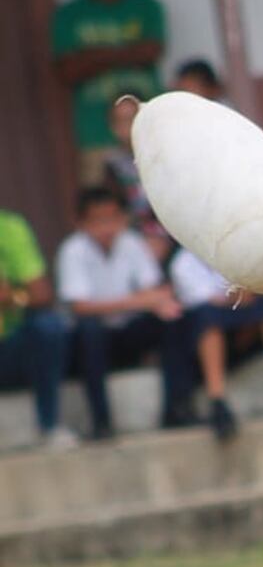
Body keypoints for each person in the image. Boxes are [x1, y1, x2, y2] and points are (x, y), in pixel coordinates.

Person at [56, 186, 195, 440]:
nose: (107, 228)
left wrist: (149, 302)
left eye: (112, 219)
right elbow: (80, 306)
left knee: (173, 318)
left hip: (127, 333)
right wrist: (136, 301)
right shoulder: (72, 251)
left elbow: (155, 292)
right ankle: (101, 421)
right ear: (81, 223)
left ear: (122, 218)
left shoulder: (131, 243)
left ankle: (177, 407)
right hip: (91, 343)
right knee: (90, 330)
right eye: (98, 221)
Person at [51, 0, 165, 186]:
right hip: (95, 135)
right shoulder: (68, 14)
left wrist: (94, 56)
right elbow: (67, 71)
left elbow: (151, 51)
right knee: (104, 210)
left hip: (149, 130)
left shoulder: (146, 5)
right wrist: (126, 50)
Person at [169, 246, 263, 441]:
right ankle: (217, 401)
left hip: (242, 332)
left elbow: (250, 291)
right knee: (209, 321)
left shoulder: (232, 251)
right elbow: (204, 301)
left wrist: (243, 294)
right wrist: (239, 295)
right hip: (197, 344)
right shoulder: (183, 262)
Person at [0, 209, 74, 448]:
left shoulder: (9, 227)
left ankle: (50, 426)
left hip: (9, 347)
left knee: (48, 326)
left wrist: (11, 297)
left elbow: (41, 293)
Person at [102, 95, 171, 262]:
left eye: (131, 119)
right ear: (112, 126)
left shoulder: (165, 153)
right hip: (135, 233)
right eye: (120, 121)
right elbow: (114, 207)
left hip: (172, 228)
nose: (127, 127)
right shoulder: (113, 163)